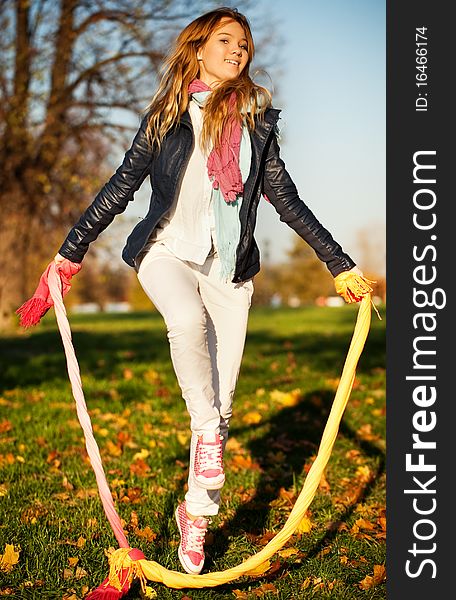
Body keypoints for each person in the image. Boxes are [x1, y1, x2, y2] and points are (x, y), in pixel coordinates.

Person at [54, 7, 362, 575]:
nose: (238, 51)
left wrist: (338, 263)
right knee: (188, 332)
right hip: (164, 253)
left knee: (221, 409)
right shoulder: (166, 116)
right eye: (227, 41)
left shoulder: (258, 123)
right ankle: (205, 434)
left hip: (228, 269)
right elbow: (123, 183)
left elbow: (284, 198)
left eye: (244, 45)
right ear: (198, 49)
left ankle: (194, 516)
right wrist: (72, 251)